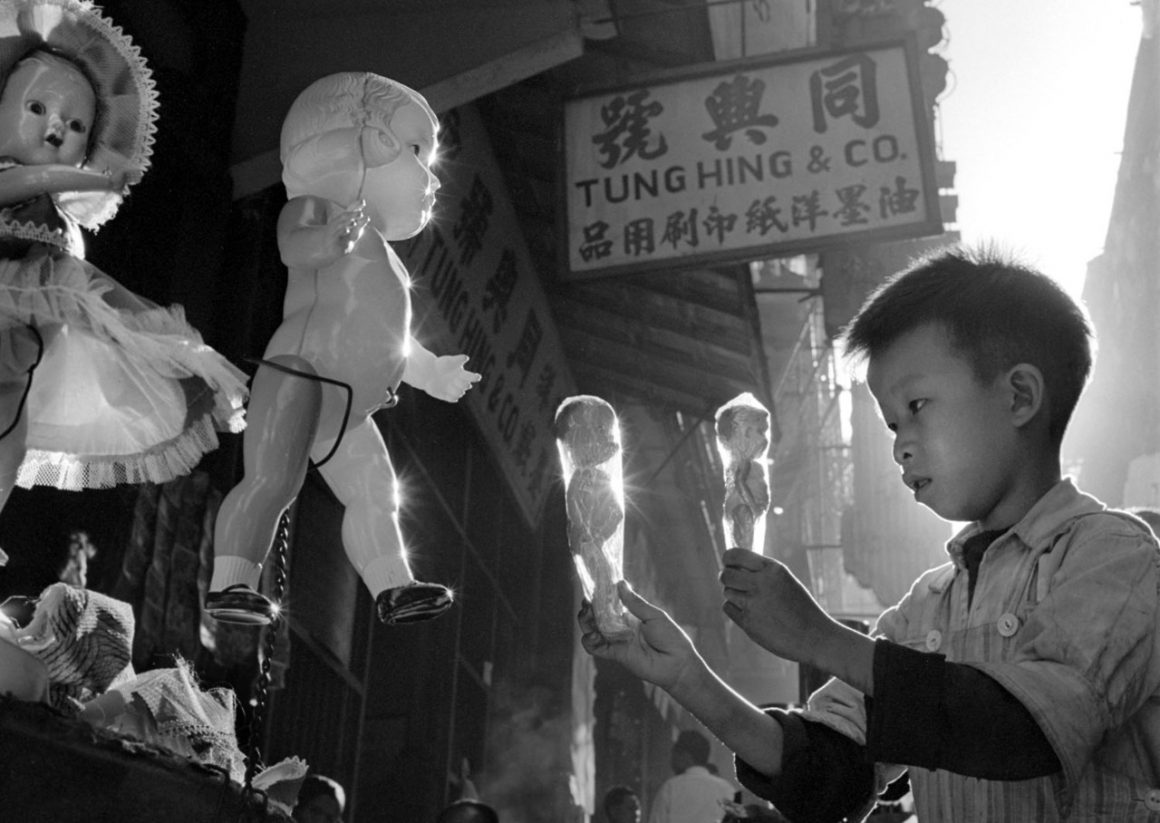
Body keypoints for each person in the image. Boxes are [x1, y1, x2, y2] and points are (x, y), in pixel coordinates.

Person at [579, 245, 1160, 820]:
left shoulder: (1115, 556)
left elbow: (1023, 730)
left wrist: (818, 637)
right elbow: (829, 775)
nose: (900, 443)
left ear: (1019, 396)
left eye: (918, 405)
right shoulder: (927, 605)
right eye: (890, 422)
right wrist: (687, 675)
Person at [206, 72, 479, 627]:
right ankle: (231, 583)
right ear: (362, 142)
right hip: (301, 375)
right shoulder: (316, 208)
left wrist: (429, 371)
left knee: (379, 492)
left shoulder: (390, 258)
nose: (430, 177)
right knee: (273, 481)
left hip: (351, 407)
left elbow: (393, 337)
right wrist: (329, 240)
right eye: (414, 151)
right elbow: (293, 247)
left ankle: (393, 586)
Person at [0, 1, 246, 521]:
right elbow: (30, 180)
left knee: (11, 426)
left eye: (75, 125)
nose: (56, 130)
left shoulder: (60, 217)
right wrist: (90, 179)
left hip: (32, 337)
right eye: (37, 109)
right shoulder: (14, 179)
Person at [648, 729, 735, 823]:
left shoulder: (670, 788)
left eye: (674, 754)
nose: (671, 760)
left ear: (686, 756)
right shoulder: (728, 790)